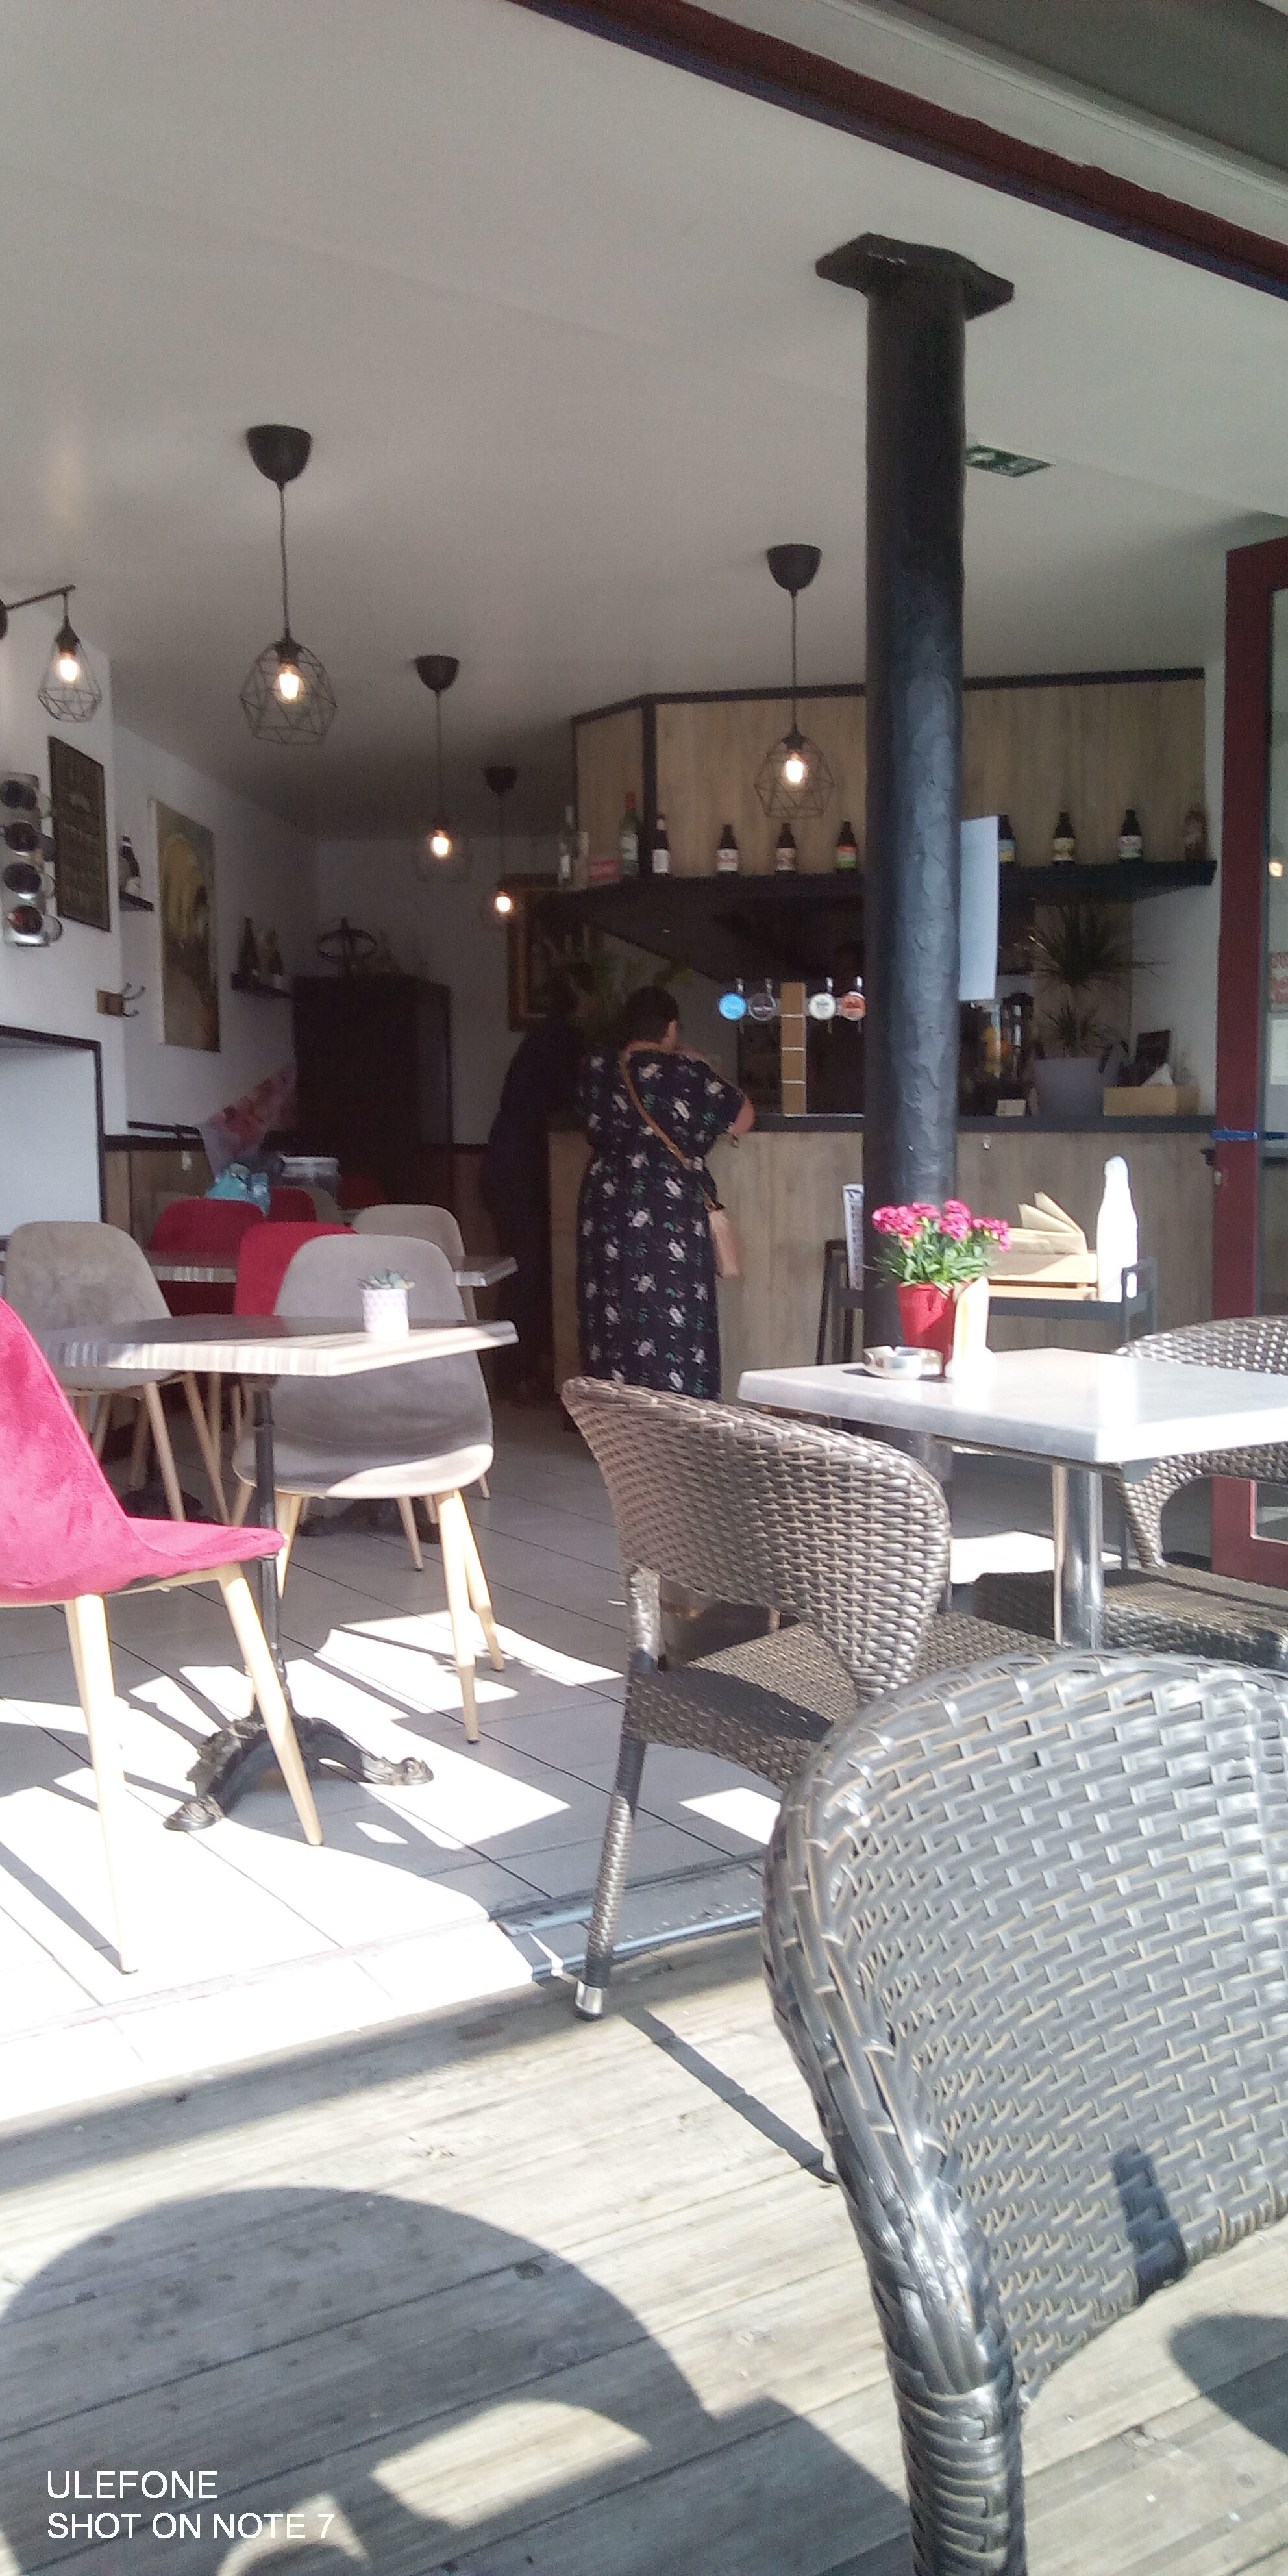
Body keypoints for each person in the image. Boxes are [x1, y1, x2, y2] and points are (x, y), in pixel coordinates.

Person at [576, 985, 754, 1400]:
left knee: (610, 1301)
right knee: (671, 1305)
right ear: (671, 1028)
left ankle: (613, 1410)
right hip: (667, 1201)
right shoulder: (686, 1073)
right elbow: (743, 1118)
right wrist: (704, 1064)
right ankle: (676, 1409)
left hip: (604, 1199)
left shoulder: (595, 1068)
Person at [480, 969, 586, 1400]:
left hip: (508, 1165)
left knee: (525, 1271)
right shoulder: (564, 1040)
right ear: (581, 998)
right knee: (527, 1272)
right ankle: (515, 1375)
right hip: (519, 1169)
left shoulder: (545, 1037)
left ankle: (523, 1370)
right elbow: (577, 1102)